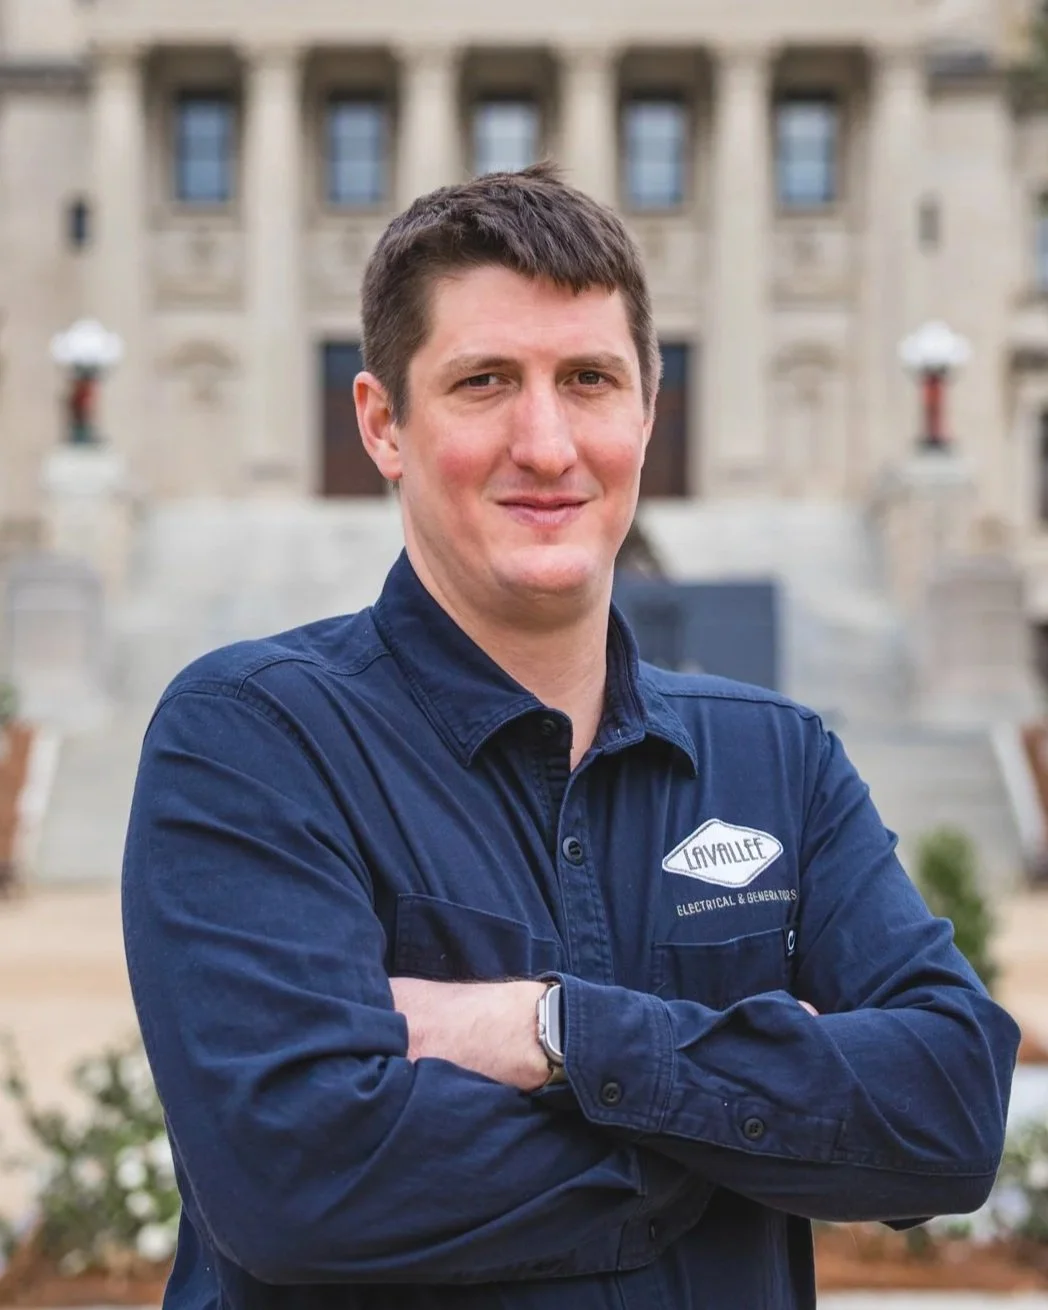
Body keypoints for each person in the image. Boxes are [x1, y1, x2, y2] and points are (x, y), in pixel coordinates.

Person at [122, 163, 1020, 1310]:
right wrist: (751, 1120)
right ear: (383, 423)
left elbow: (946, 1116)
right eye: (485, 380)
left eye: (588, 380)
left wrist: (550, 1030)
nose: (545, 445)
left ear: (648, 410)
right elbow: (297, 1182)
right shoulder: (252, 740)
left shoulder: (777, 759)